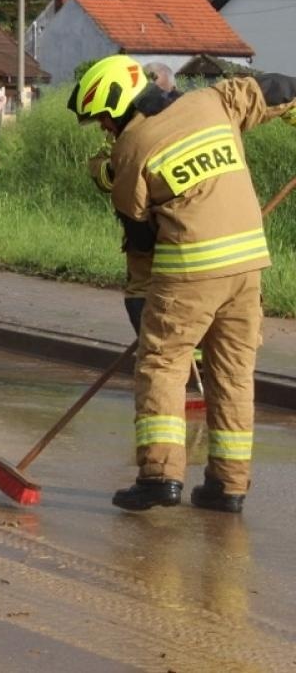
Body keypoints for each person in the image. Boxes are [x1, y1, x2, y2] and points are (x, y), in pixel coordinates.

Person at [69, 54, 296, 513]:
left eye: (103, 120)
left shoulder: (131, 148)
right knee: (232, 374)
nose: (104, 130)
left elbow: (139, 234)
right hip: (247, 266)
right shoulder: (215, 101)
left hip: (189, 269)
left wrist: (144, 297)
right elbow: (278, 87)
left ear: (120, 106)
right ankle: (228, 486)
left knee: (163, 364)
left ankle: (159, 476)